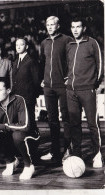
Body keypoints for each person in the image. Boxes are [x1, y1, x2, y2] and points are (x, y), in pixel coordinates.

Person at [66, 17, 104, 168]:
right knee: (74, 124)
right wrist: (67, 80)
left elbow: (100, 64)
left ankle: (97, 154)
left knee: (92, 123)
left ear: (84, 28)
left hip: (87, 89)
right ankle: (76, 154)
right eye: (73, 27)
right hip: (71, 91)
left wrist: (94, 83)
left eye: (78, 27)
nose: (75, 29)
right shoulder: (69, 45)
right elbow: (67, 65)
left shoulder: (92, 42)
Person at [0, 77, 35, 179]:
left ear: (8, 90)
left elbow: (25, 126)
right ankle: (11, 161)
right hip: (10, 139)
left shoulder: (19, 100)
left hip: (30, 138)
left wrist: (1, 126)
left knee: (17, 135)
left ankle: (29, 165)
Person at [40, 16, 72, 164]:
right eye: (48, 24)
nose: (50, 27)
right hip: (48, 87)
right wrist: (42, 79)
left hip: (63, 86)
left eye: (52, 24)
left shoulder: (66, 40)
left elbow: (73, 61)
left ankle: (68, 150)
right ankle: (54, 150)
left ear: (58, 25)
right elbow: (43, 63)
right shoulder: (44, 42)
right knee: (52, 120)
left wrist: (69, 77)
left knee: (66, 118)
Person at [12, 38, 41, 147]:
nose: (18, 47)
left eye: (21, 44)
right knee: (20, 122)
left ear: (26, 46)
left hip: (28, 98)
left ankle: (34, 144)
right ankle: (23, 145)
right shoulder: (15, 62)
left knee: (30, 122)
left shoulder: (31, 61)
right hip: (17, 98)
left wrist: (33, 96)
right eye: (17, 45)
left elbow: (36, 80)